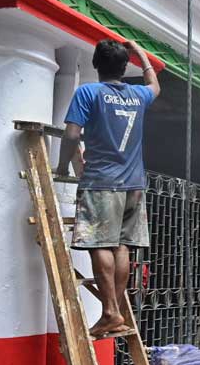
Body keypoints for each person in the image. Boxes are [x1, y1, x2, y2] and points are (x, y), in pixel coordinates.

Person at [56, 39, 160, 337]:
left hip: (102, 182)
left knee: (100, 244)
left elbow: (72, 134)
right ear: (125, 67)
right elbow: (154, 84)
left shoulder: (89, 92)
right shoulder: (139, 95)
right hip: (134, 185)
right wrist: (140, 50)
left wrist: (63, 166)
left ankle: (111, 311)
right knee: (121, 246)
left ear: (95, 65)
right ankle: (112, 311)